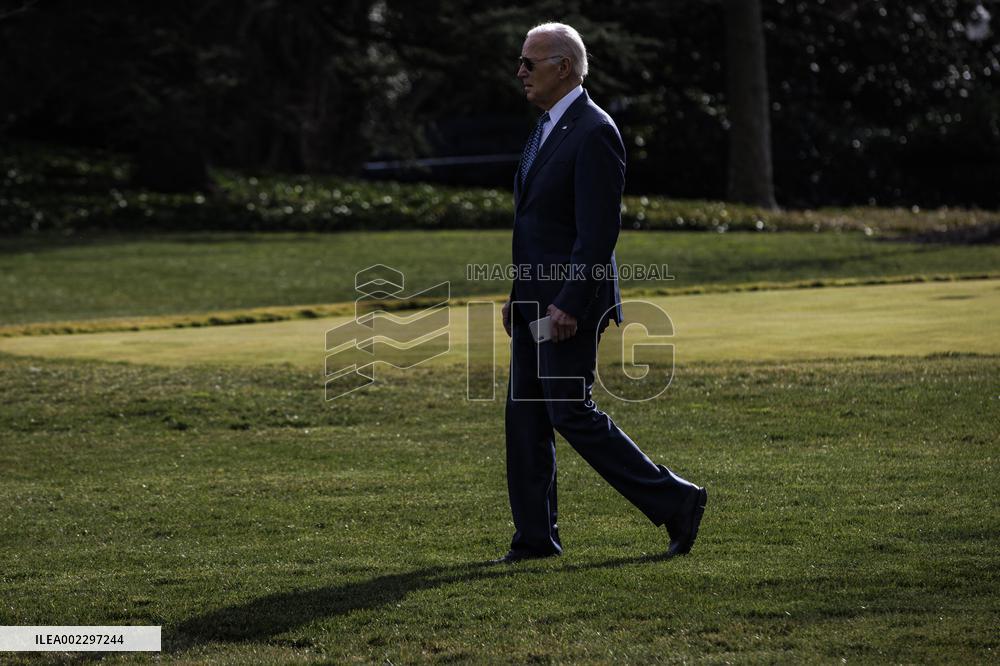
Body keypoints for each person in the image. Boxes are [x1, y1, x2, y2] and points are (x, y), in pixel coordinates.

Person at [495, 22, 707, 564]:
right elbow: (539, 225)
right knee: (526, 418)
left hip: (569, 304)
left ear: (563, 67)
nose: (520, 71)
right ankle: (535, 540)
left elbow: (596, 234)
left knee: (569, 412)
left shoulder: (594, 131)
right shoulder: (547, 127)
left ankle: (677, 500)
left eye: (529, 62)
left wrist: (569, 302)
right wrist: (519, 294)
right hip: (535, 300)